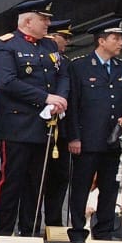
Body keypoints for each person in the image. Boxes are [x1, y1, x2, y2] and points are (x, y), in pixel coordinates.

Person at [0, 0, 68, 238]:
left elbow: (63, 75)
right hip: (16, 124)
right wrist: (46, 97)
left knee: (37, 182)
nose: (48, 23)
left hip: (44, 124)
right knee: (11, 181)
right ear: (27, 21)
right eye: (43, 19)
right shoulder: (6, 45)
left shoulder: (50, 46)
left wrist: (60, 99)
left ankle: (30, 232)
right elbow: (7, 82)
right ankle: (2, 232)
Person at [64, 18, 122, 243]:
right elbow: (73, 104)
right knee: (81, 187)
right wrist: (73, 136)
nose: (121, 42)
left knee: (109, 188)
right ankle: (77, 232)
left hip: (113, 141)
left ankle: (104, 233)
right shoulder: (79, 66)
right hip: (86, 140)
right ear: (101, 40)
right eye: (116, 38)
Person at [39, 19, 74, 230]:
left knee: (60, 177)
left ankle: (54, 225)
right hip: (36, 128)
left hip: (60, 130)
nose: (66, 43)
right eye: (64, 37)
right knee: (33, 178)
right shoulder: (37, 59)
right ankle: (28, 224)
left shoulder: (68, 64)